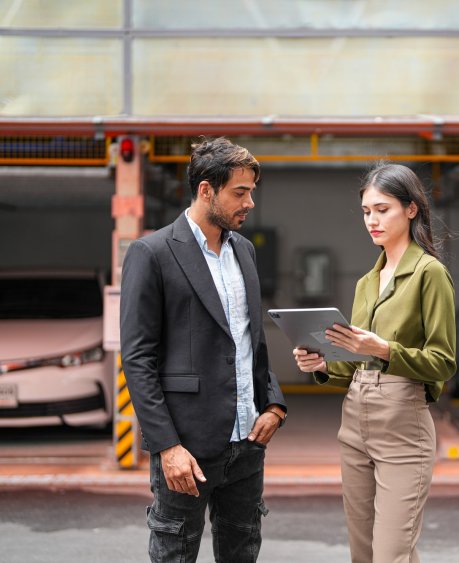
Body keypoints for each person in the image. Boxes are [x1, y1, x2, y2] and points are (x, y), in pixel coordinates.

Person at [120, 137, 287, 563]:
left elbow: (251, 340)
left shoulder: (245, 251)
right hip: (186, 448)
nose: (250, 203)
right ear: (206, 190)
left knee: (243, 554)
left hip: (247, 442)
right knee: (174, 554)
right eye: (240, 192)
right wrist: (166, 446)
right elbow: (138, 359)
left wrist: (274, 405)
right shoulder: (152, 252)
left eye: (252, 192)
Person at [293, 162, 456, 563]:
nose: (372, 220)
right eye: (367, 211)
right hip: (354, 423)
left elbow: (443, 362)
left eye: (383, 209)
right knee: (363, 554)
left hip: (403, 423)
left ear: (411, 209)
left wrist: (384, 350)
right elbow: (351, 364)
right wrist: (320, 365)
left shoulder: (429, 274)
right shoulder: (367, 282)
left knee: (391, 555)